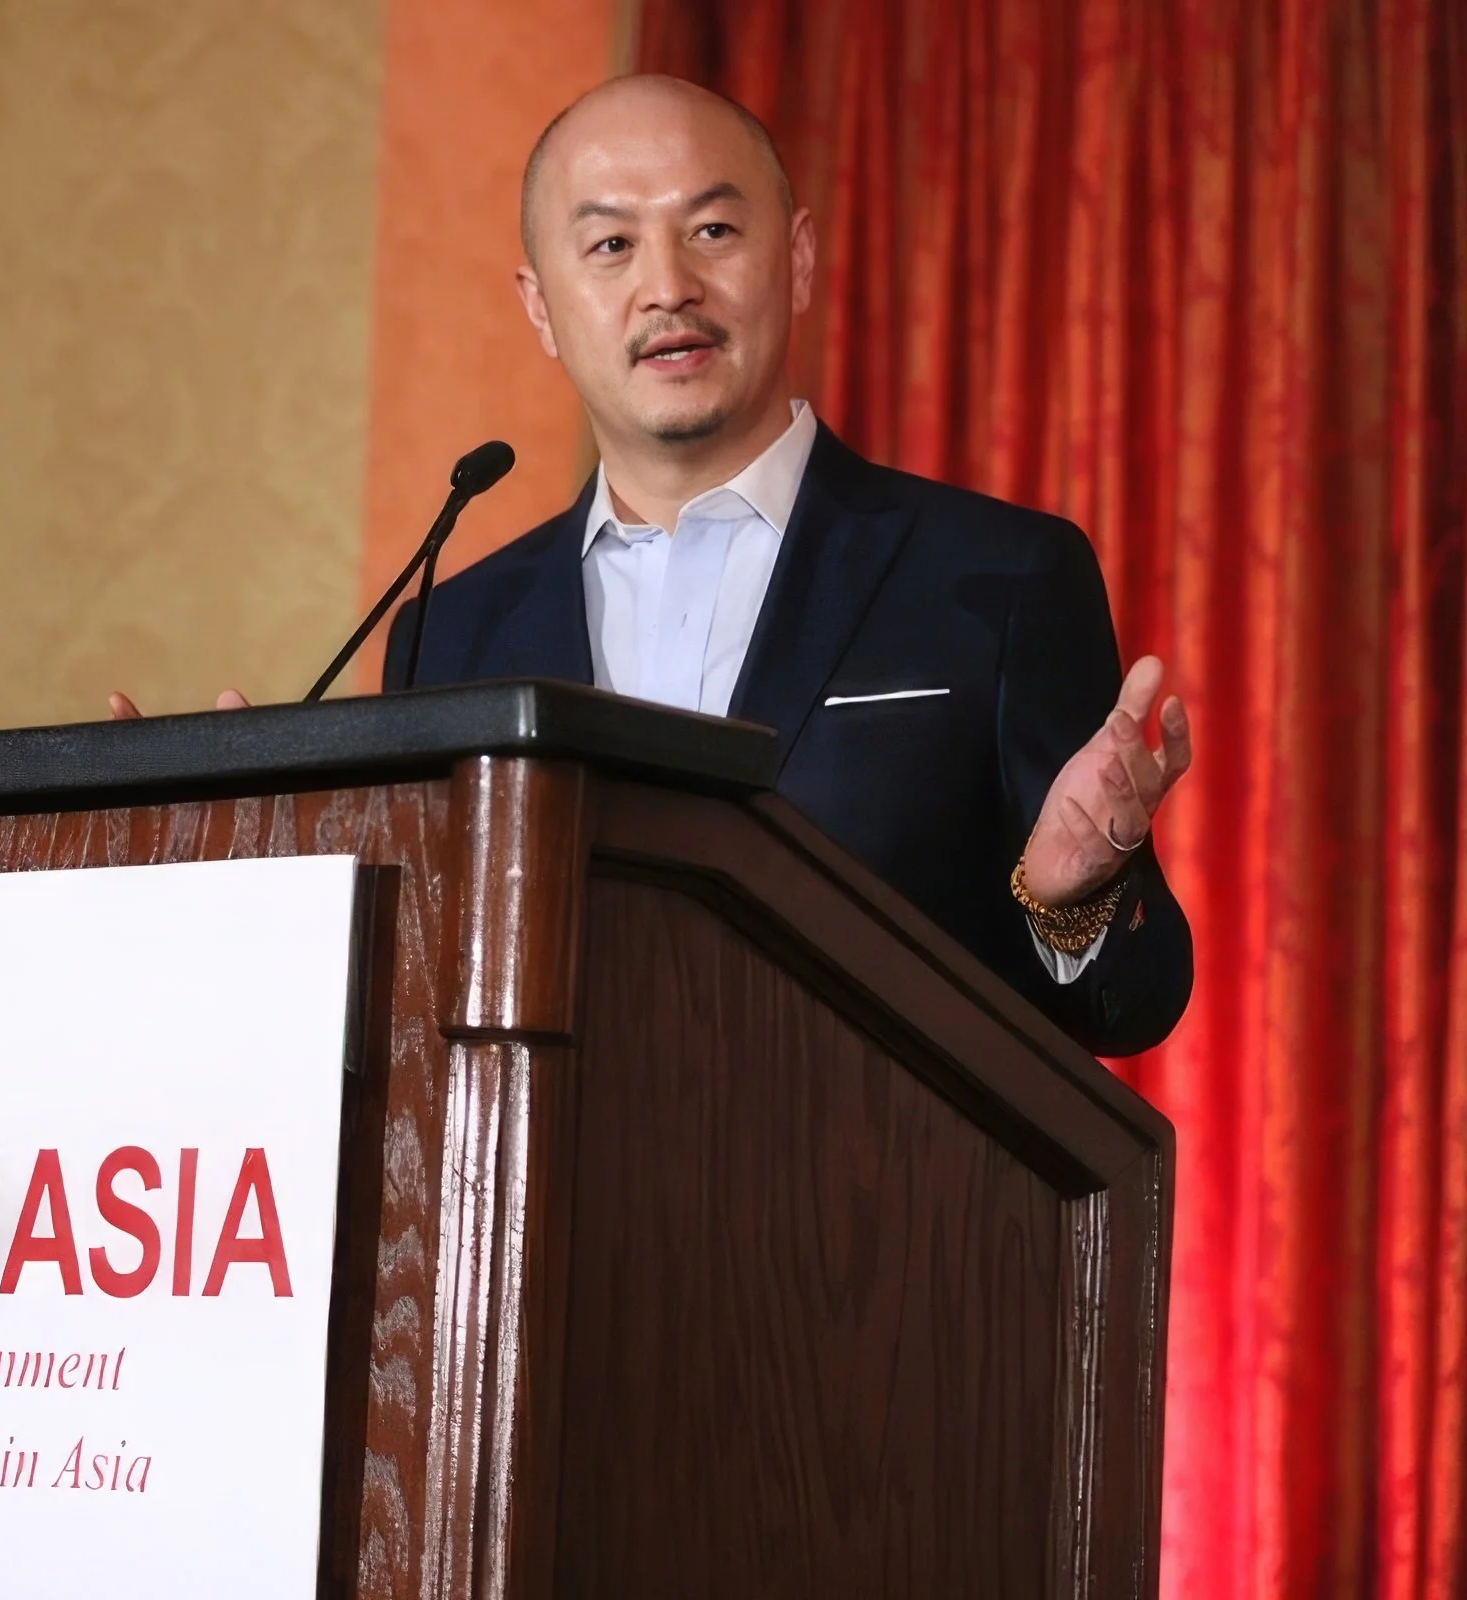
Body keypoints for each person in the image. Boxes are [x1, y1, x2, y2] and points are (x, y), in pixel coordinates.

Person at [124, 74, 1194, 1055]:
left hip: (877, 1234)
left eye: (713, 228)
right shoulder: (450, 633)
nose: (667, 287)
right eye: (610, 247)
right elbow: (416, 996)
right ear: (541, 308)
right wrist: (235, 902)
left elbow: (1126, 1010)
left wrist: (1076, 898)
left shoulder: (996, 579)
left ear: (799, 258)